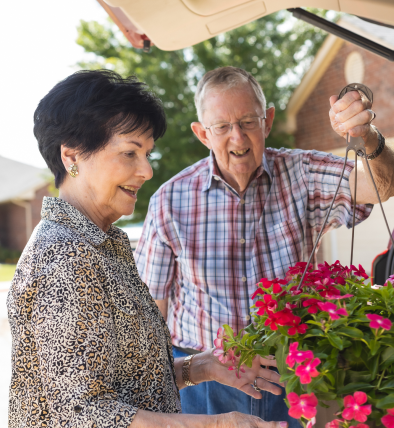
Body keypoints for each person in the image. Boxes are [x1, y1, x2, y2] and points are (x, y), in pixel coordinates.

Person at [7, 69, 288, 428]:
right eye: (130, 153)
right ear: (72, 157)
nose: (147, 170)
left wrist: (203, 366)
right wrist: (218, 424)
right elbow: (81, 414)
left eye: (147, 153)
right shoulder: (65, 255)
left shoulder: (100, 245)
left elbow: (129, 384)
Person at [135, 66, 394, 423]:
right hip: (206, 384)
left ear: (268, 121)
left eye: (248, 122)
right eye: (222, 127)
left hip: (291, 372)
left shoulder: (300, 172)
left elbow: (383, 185)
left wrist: (367, 138)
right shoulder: (169, 201)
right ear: (202, 134)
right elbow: (150, 318)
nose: (238, 138)